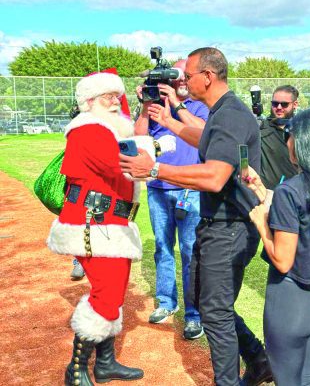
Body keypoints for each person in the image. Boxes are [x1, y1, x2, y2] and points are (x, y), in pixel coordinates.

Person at [119, 47, 272, 386]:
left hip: (229, 227)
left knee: (215, 313)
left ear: (208, 76)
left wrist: (155, 168)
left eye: (188, 75)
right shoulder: (221, 112)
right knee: (209, 304)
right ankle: (260, 361)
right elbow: (206, 140)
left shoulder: (231, 114)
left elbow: (215, 175)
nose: (183, 81)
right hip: (215, 225)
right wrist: (169, 120)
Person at [47, 72, 144, 385]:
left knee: (114, 292)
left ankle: (104, 364)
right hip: (94, 224)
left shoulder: (106, 126)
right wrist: (154, 146)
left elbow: (125, 145)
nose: (116, 101)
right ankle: (75, 369)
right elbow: (118, 163)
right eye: (108, 96)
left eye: (118, 95)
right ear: (89, 101)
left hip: (110, 223)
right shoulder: (88, 128)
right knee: (107, 293)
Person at [134, 59, 208, 340]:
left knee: (190, 252)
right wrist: (145, 106)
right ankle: (167, 303)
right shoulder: (156, 104)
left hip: (190, 189)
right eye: (175, 77)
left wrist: (176, 103)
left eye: (181, 76)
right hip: (159, 187)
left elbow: (203, 132)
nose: (179, 81)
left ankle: (193, 314)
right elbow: (139, 136)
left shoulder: (197, 104)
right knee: (163, 248)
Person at [245, 108, 310, 386]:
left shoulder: (292, 190)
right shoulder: (296, 192)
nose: (287, 141)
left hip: (291, 300)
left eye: (290, 135)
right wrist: (263, 192)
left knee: (288, 379)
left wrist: (261, 223)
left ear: (302, 143)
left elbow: (283, 260)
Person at [260, 85, 299, 189]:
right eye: (275, 103)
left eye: (284, 104)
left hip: (297, 194)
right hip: (268, 195)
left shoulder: (303, 130)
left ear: (295, 104)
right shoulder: (260, 129)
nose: (279, 107)